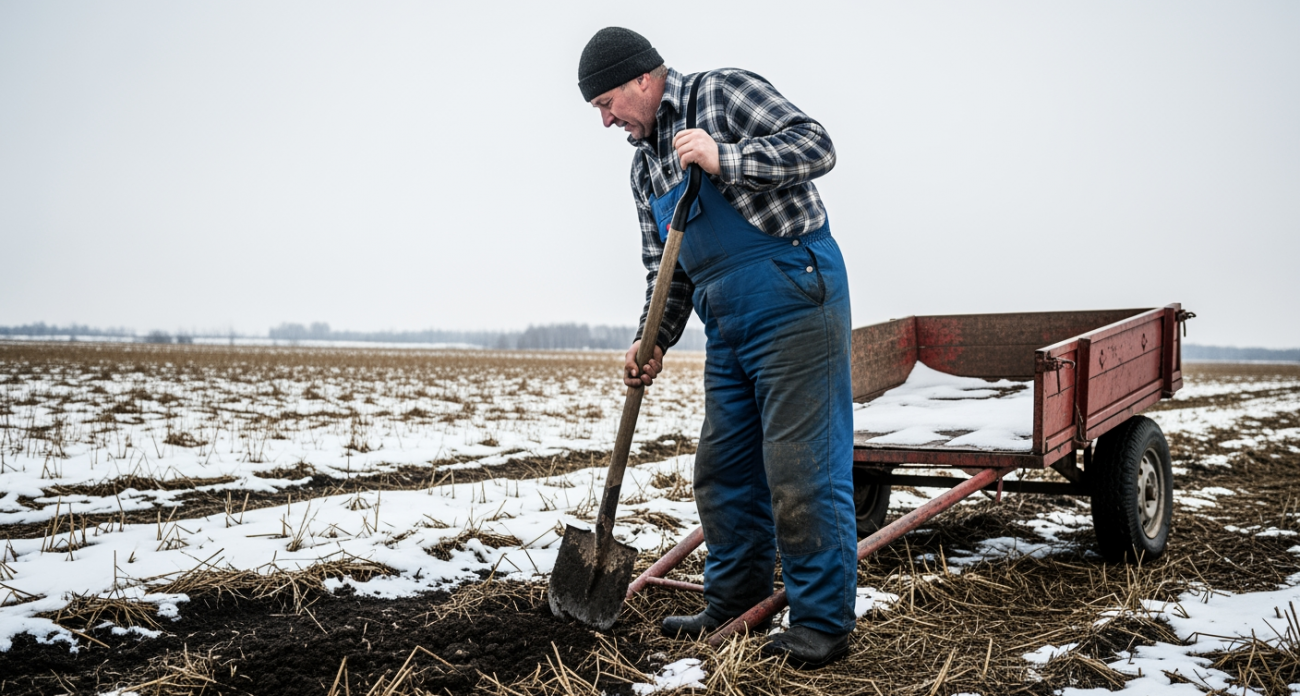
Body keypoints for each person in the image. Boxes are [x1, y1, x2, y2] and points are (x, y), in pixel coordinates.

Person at [577, 27, 859, 668]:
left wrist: (725, 157)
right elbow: (666, 269)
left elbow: (817, 146)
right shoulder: (643, 166)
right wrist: (651, 340)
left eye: (606, 103)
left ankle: (823, 623)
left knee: (800, 469)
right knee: (724, 469)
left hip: (793, 292)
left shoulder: (722, 94)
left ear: (643, 80)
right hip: (726, 324)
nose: (605, 120)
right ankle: (734, 601)